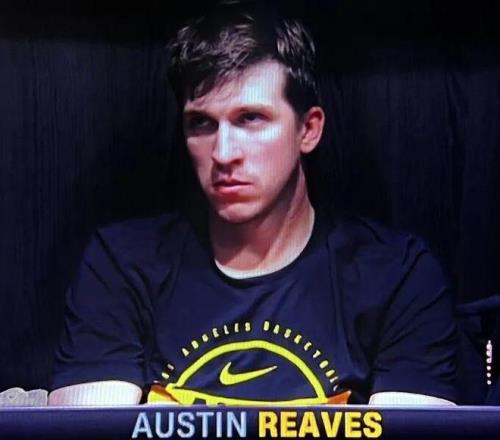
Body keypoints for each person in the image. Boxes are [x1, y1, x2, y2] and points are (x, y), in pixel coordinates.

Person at [48, 1, 457, 406]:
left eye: (250, 118)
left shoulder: (395, 275)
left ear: (308, 130)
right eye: (202, 123)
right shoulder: (122, 265)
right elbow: (86, 428)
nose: (223, 153)